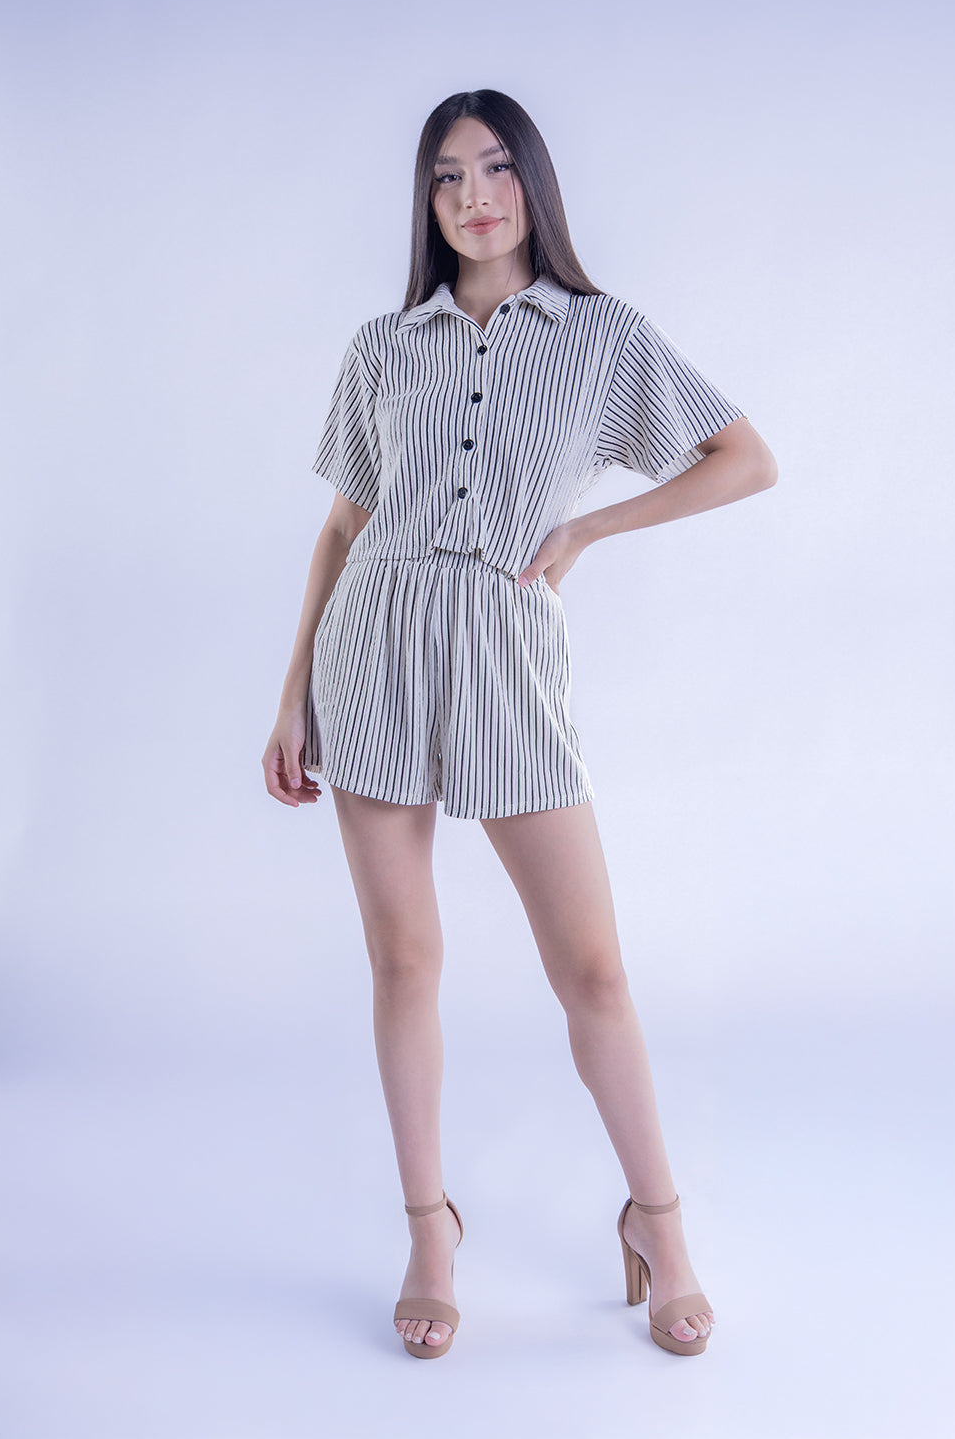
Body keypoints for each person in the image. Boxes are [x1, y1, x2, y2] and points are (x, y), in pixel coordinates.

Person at [262, 88, 778, 1361]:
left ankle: (658, 1219)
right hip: (372, 651)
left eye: (495, 169)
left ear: (533, 184)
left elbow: (743, 457)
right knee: (404, 960)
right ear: (426, 202)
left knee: (592, 971)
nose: (473, 197)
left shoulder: (603, 335)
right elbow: (342, 526)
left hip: (506, 654)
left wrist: (590, 525)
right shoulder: (384, 346)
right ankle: (429, 1229)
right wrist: (291, 694)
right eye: (446, 177)